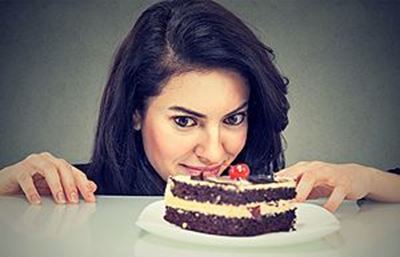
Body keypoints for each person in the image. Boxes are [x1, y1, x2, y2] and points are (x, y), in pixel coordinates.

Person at [0, 0, 398, 212]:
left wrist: (366, 179)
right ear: (136, 112)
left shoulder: (266, 201)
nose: (213, 151)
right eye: (186, 120)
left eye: (233, 118)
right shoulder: (80, 194)